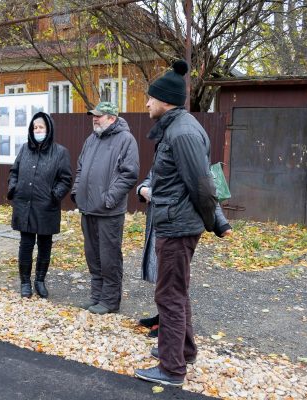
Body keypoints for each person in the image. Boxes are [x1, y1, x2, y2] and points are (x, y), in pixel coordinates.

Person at [134, 61, 218, 386]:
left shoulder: (181, 132)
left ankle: (172, 369)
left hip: (177, 226)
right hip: (176, 223)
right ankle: (183, 350)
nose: (146, 104)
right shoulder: (178, 127)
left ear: (165, 100)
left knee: (168, 295)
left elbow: (202, 184)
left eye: (150, 98)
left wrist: (210, 220)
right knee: (177, 292)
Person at [136, 171, 233, 338]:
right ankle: (163, 319)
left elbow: (204, 189)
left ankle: (169, 330)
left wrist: (221, 223)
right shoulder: (166, 149)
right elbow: (153, 175)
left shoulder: (186, 149)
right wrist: (142, 189)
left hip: (177, 225)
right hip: (161, 221)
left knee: (173, 283)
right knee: (164, 278)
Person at [71, 102, 139, 315]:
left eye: (99, 116)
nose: (95, 119)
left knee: (109, 257)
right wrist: (76, 192)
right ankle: (96, 297)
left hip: (109, 211)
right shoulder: (91, 140)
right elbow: (81, 168)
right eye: (94, 116)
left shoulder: (126, 140)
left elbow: (129, 174)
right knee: (92, 255)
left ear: (111, 118)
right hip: (88, 208)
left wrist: (110, 199)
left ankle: (110, 301)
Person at [7, 112, 72, 298]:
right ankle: (25, 282)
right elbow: (14, 171)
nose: (38, 130)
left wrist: (54, 195)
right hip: (24, 205)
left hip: (46, 207)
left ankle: (40, 281)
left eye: (41, 127)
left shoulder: (60, 152)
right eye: (35, 127)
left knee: (45, 245)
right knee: (26, 244)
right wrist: (14, 187)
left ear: (48, 129)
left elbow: (66, 179)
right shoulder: (25, 149)